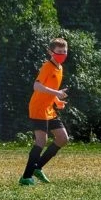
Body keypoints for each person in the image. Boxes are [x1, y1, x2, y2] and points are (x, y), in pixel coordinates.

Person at [20, 37, 70, 185]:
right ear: (50, 52)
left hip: (49, 109)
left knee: (63, 138)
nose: (62, 54)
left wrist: (57, 100)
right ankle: (26, 177)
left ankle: (38, 167)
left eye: (64, 51)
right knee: (41, 141)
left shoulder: (60, 68)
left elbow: (50, 89)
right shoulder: (47, 67)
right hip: (38, 108)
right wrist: (57, 93)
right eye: (59, 51)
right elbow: (37, 86)